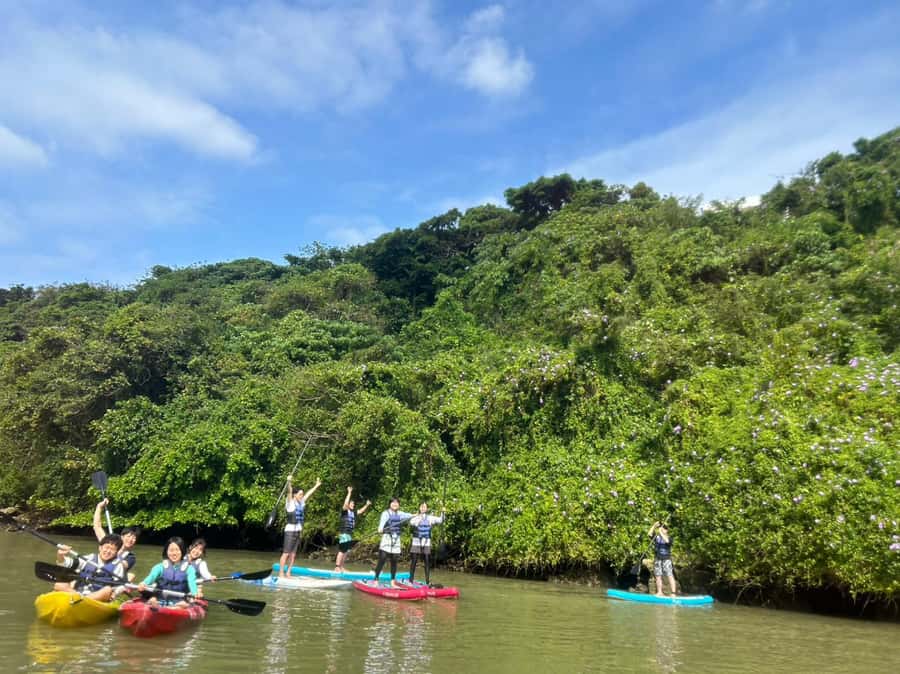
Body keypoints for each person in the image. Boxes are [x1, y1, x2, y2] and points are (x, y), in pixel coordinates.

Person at [54, 534, 127, 602]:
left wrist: (115, 593)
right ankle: (79, 598)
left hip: (97, 597)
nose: (108, 551)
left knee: (108, 590)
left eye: (112, 549)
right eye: (106, 547)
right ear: (100, 548)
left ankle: (82, 600)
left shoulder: (117, 565)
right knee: (59, 583)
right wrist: (60, 555)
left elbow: (120, 585)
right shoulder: (89, 558)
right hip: (77, 592)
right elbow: (67, 563)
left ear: (116, 552)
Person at [278, 475, 322, 579]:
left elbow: (309, 494)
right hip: (290, 531)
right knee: (286, 553)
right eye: (300, 494)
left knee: (293, 554)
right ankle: (281, 573)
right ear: (295, 495)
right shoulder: (290, 503)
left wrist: (316, 486)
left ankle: (288, 573)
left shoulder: (301, 502)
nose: (302, 496)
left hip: (298, 531)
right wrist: (289, 482)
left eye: (302, 494)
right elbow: (289, 492)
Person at [139, 536, 198, 608]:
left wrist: (195, 593)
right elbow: (151, 577)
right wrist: (144, 583)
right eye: (171, 550)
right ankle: (154, 605)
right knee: (152, 599)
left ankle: (173, 609)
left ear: (182, 551)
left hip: (179, 602)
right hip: (159, 600)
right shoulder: (159, 567)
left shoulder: (189, 569)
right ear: (166, 551)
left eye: (177, 550)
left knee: (182, 605)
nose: (174, 553)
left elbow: (192, 583)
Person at [373, 497, 414, 588]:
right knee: (382, 559)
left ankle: (392, 581)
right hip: (387, 538)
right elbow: (381, 524)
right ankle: (376, 579)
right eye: (393, 502)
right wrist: (380, 529)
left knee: (394, 560)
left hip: (396, 539)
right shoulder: (385, 513)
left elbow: (409, 515)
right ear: (390, 504)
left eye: (397, 503)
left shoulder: (400, 514)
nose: (395, 504)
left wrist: (416, 514)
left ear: (399, 505)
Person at [92, 498, 140, 575]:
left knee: (131, 575)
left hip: (111, 579)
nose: (131, 540)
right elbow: (97, 527)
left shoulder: (130, 557)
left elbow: (122, 566)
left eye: (134, 538)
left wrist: (115, 554)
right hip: (96, 573)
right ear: (122, 537)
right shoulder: (109, 543)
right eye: (128, 536)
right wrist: (99, 507)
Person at [334, 487, 371, 573]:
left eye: (353, 504)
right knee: (342, 550)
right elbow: (345, 503)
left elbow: (360, 511)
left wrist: (367, 505)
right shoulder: (345, 511)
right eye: (351, 504)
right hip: (344, 533)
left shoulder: (353, 513)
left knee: (346, 551)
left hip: (349, 534)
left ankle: (342, 567)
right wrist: (349, 492)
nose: (353, 505)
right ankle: (337, 567)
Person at [408, 502, 444, 586]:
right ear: (419, 508)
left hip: (426, 542)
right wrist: (419, 517)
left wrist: (442, 511)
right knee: (414, 560)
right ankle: (410, 580)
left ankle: (427, 582)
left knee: (427, 561)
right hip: (416, 541)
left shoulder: (430, 518)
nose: (423, 508)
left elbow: (441, 520)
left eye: (425, 507)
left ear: (427, 509)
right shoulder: (416, 517)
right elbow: (411, 522)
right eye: (421, 506)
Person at [648, 521, 677, 597]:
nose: (662, 529)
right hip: (658, 559)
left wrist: (660, 532)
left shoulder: (670, 538)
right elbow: (649, 534)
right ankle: (659, 592)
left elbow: (667, 541)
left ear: (666, 530)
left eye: (664, 529)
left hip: (666, 559)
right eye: (661, 528)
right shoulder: (657, 538)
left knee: (669, 575)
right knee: (658, 576)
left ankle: (673, 593)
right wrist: (654, 526)